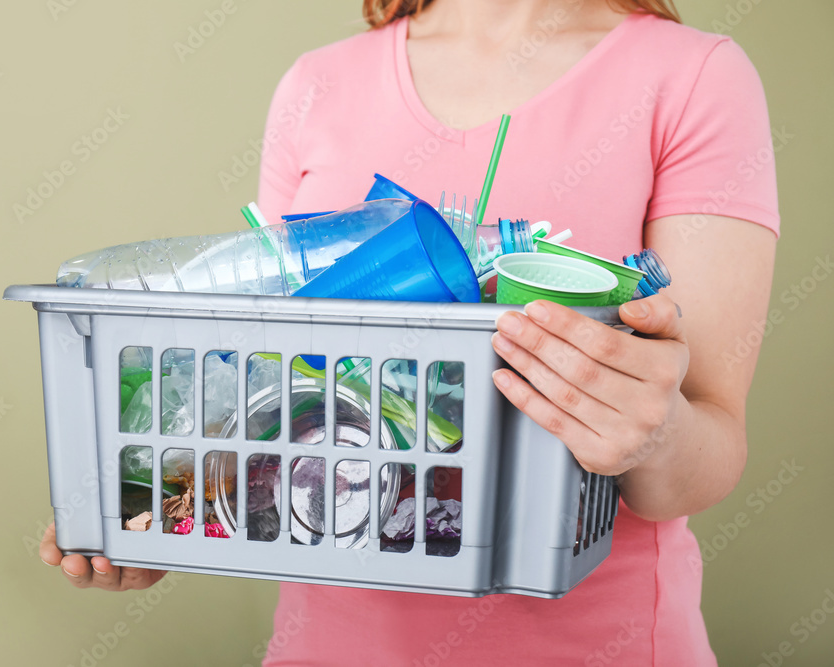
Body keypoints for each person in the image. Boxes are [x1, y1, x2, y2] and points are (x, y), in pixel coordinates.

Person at [42, 0, 779, 663]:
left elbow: (713, 444)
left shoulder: (692, 78)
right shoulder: (317, 85)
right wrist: (176, 506)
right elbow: (262, 391)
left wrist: (653, 431)